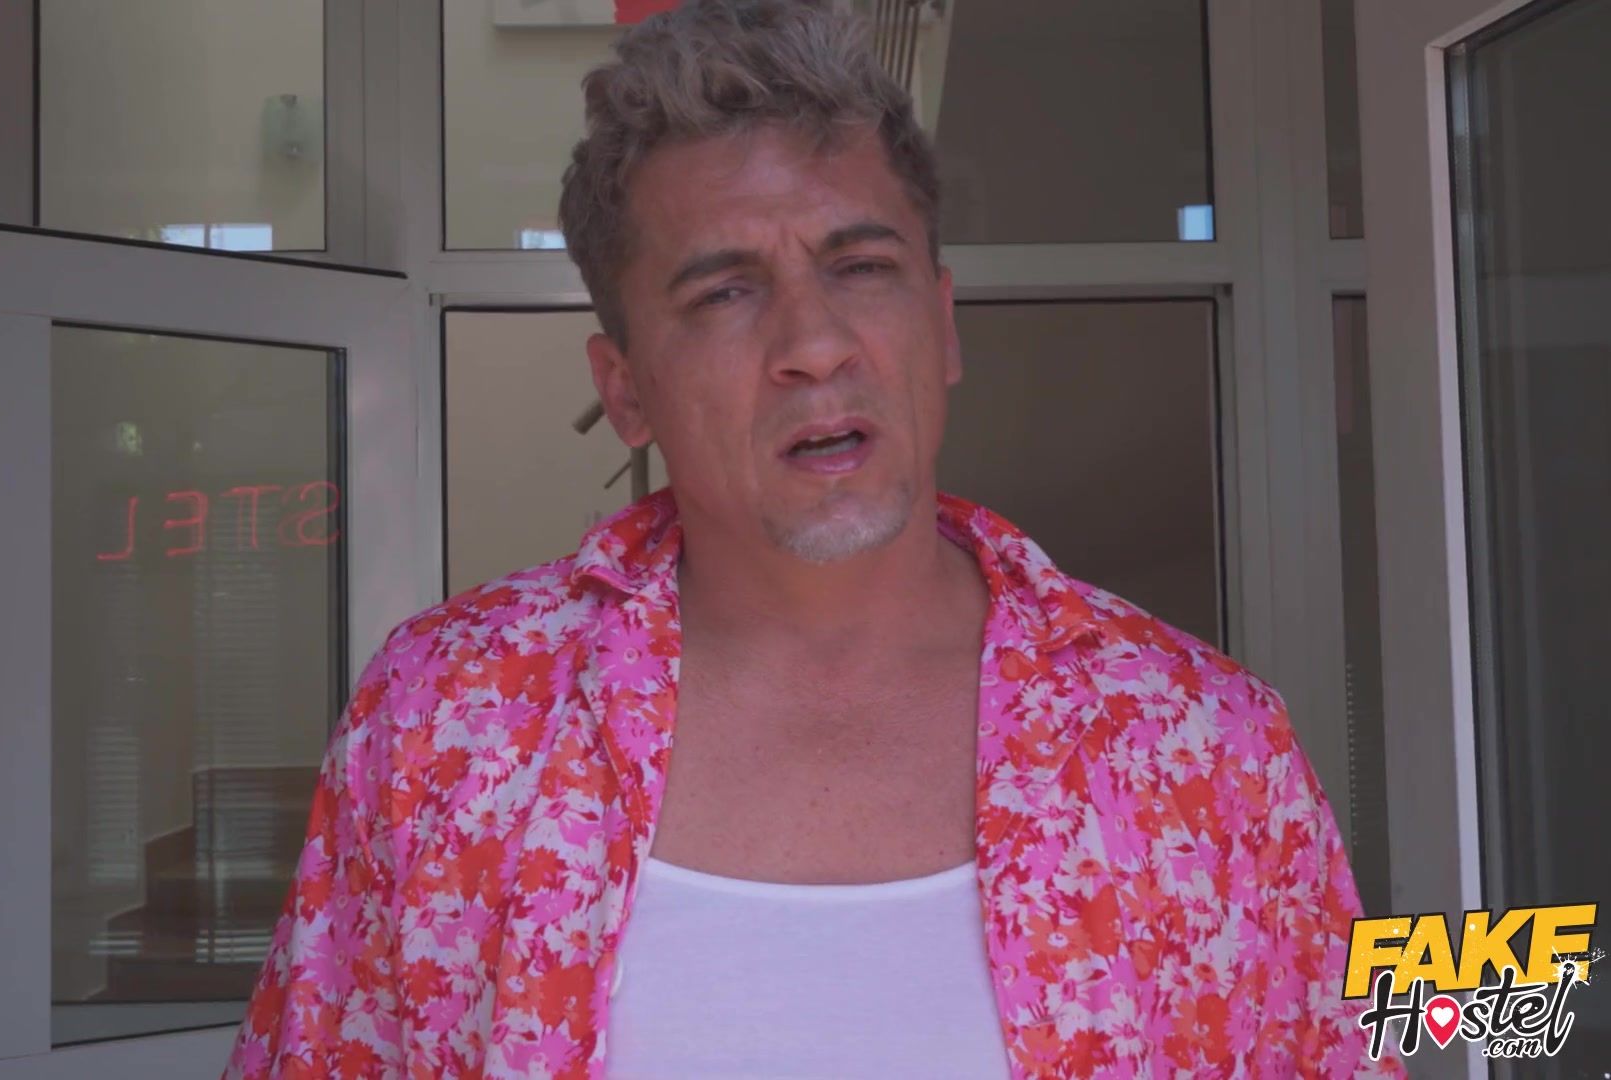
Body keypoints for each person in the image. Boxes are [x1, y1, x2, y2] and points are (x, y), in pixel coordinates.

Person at [227, 1, 1399, 1076]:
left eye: (862, 267)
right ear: (625, 389)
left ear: (942, 324)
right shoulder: (447, 727)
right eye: (725, 293)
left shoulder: (1202, 746)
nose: (815, 345)